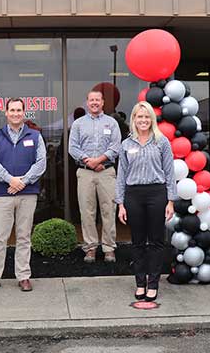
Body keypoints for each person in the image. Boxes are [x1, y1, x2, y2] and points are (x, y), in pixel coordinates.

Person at [0, 98, 46, 293]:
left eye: (19, 110)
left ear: (24, 113)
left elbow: (41, 163)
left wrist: (23, 182)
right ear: (6, 113)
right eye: (12, 110)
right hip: (3, 193)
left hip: (28, 194)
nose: (16, 113)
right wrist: (11, 180)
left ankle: (24, 276)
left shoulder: (35, 136)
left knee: (24, 236)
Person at [115, 101, 176, 302]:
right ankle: (140, 283)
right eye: (139, 116)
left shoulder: (162, 142)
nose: (143, 120)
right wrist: (121, 203)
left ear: (152, 119)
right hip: (133, 195)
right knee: (138, 242)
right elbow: (121, 176)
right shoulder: (126, 144)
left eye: (146, 116)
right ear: (134, 119)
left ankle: (153, 284)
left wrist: (170, 201)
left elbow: (169, 172)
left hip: (157, 194)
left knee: (157, 241)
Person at [68, 90, 121, 263]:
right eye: (91, 100)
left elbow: (116, 147)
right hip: (85, 172)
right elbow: (73, 148)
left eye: (97, 100)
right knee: (87, 212)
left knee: (108, 211)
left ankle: (109, 248)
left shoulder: (112, 123)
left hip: (106, 172)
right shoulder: (78, 124)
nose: (94, 103)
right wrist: (87, 160)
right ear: (87, 102)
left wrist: (99, 160)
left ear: (103, 102)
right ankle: (90, 248)